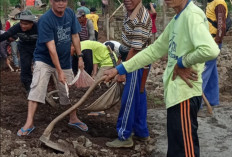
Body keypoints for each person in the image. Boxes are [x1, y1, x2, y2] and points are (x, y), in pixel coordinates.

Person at [104, 0, 220, 155]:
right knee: (176, 149)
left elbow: (211, 50)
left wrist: (183, 62)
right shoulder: (178, 19)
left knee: (185, 151)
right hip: (175, 95)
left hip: (185, 94)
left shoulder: (192, 15)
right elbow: (154, 50)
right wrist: (120, 69)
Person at [17, 0, 87, 136]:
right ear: (51, 2)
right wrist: (59, 72)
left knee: (69, 91)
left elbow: (75, 35)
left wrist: (80, 56)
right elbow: (51, 48)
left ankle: (73, 118)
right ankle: (29, 122)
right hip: (44, 59)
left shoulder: (70, 14)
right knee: (37, 87)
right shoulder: (45, 19)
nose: (61, 3)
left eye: (64, 0)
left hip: (65, 59)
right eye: (57, 1)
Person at [105, 0, 152, 148]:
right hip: (131, 59)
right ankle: (141, 132)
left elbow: (135, 49)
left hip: (137, 63)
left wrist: (122, 71)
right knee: (138, 96)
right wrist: (120, 60)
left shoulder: (141, 18)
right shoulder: (129, 11)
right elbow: (127, 43)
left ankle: (124, 135)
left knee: (129, 99)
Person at [0, 10, 38, 92]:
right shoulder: (18, 27)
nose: (23, 26)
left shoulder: (38, 27)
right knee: (25, 67)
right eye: (21, 23)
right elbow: (6, 35)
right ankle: (28, 87)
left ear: (32, 23)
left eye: (26, 24)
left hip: (37, 48)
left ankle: (39, 85)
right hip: (24, 47)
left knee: (38, 66)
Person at [202, 0, 228, 106]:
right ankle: (213, 100)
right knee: (212, 73)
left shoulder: (219, 3)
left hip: (212, 43)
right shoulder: (212, 3)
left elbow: (221, 26)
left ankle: (197, 103)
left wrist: (216, 42)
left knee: (203, 70)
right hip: (209, 41)